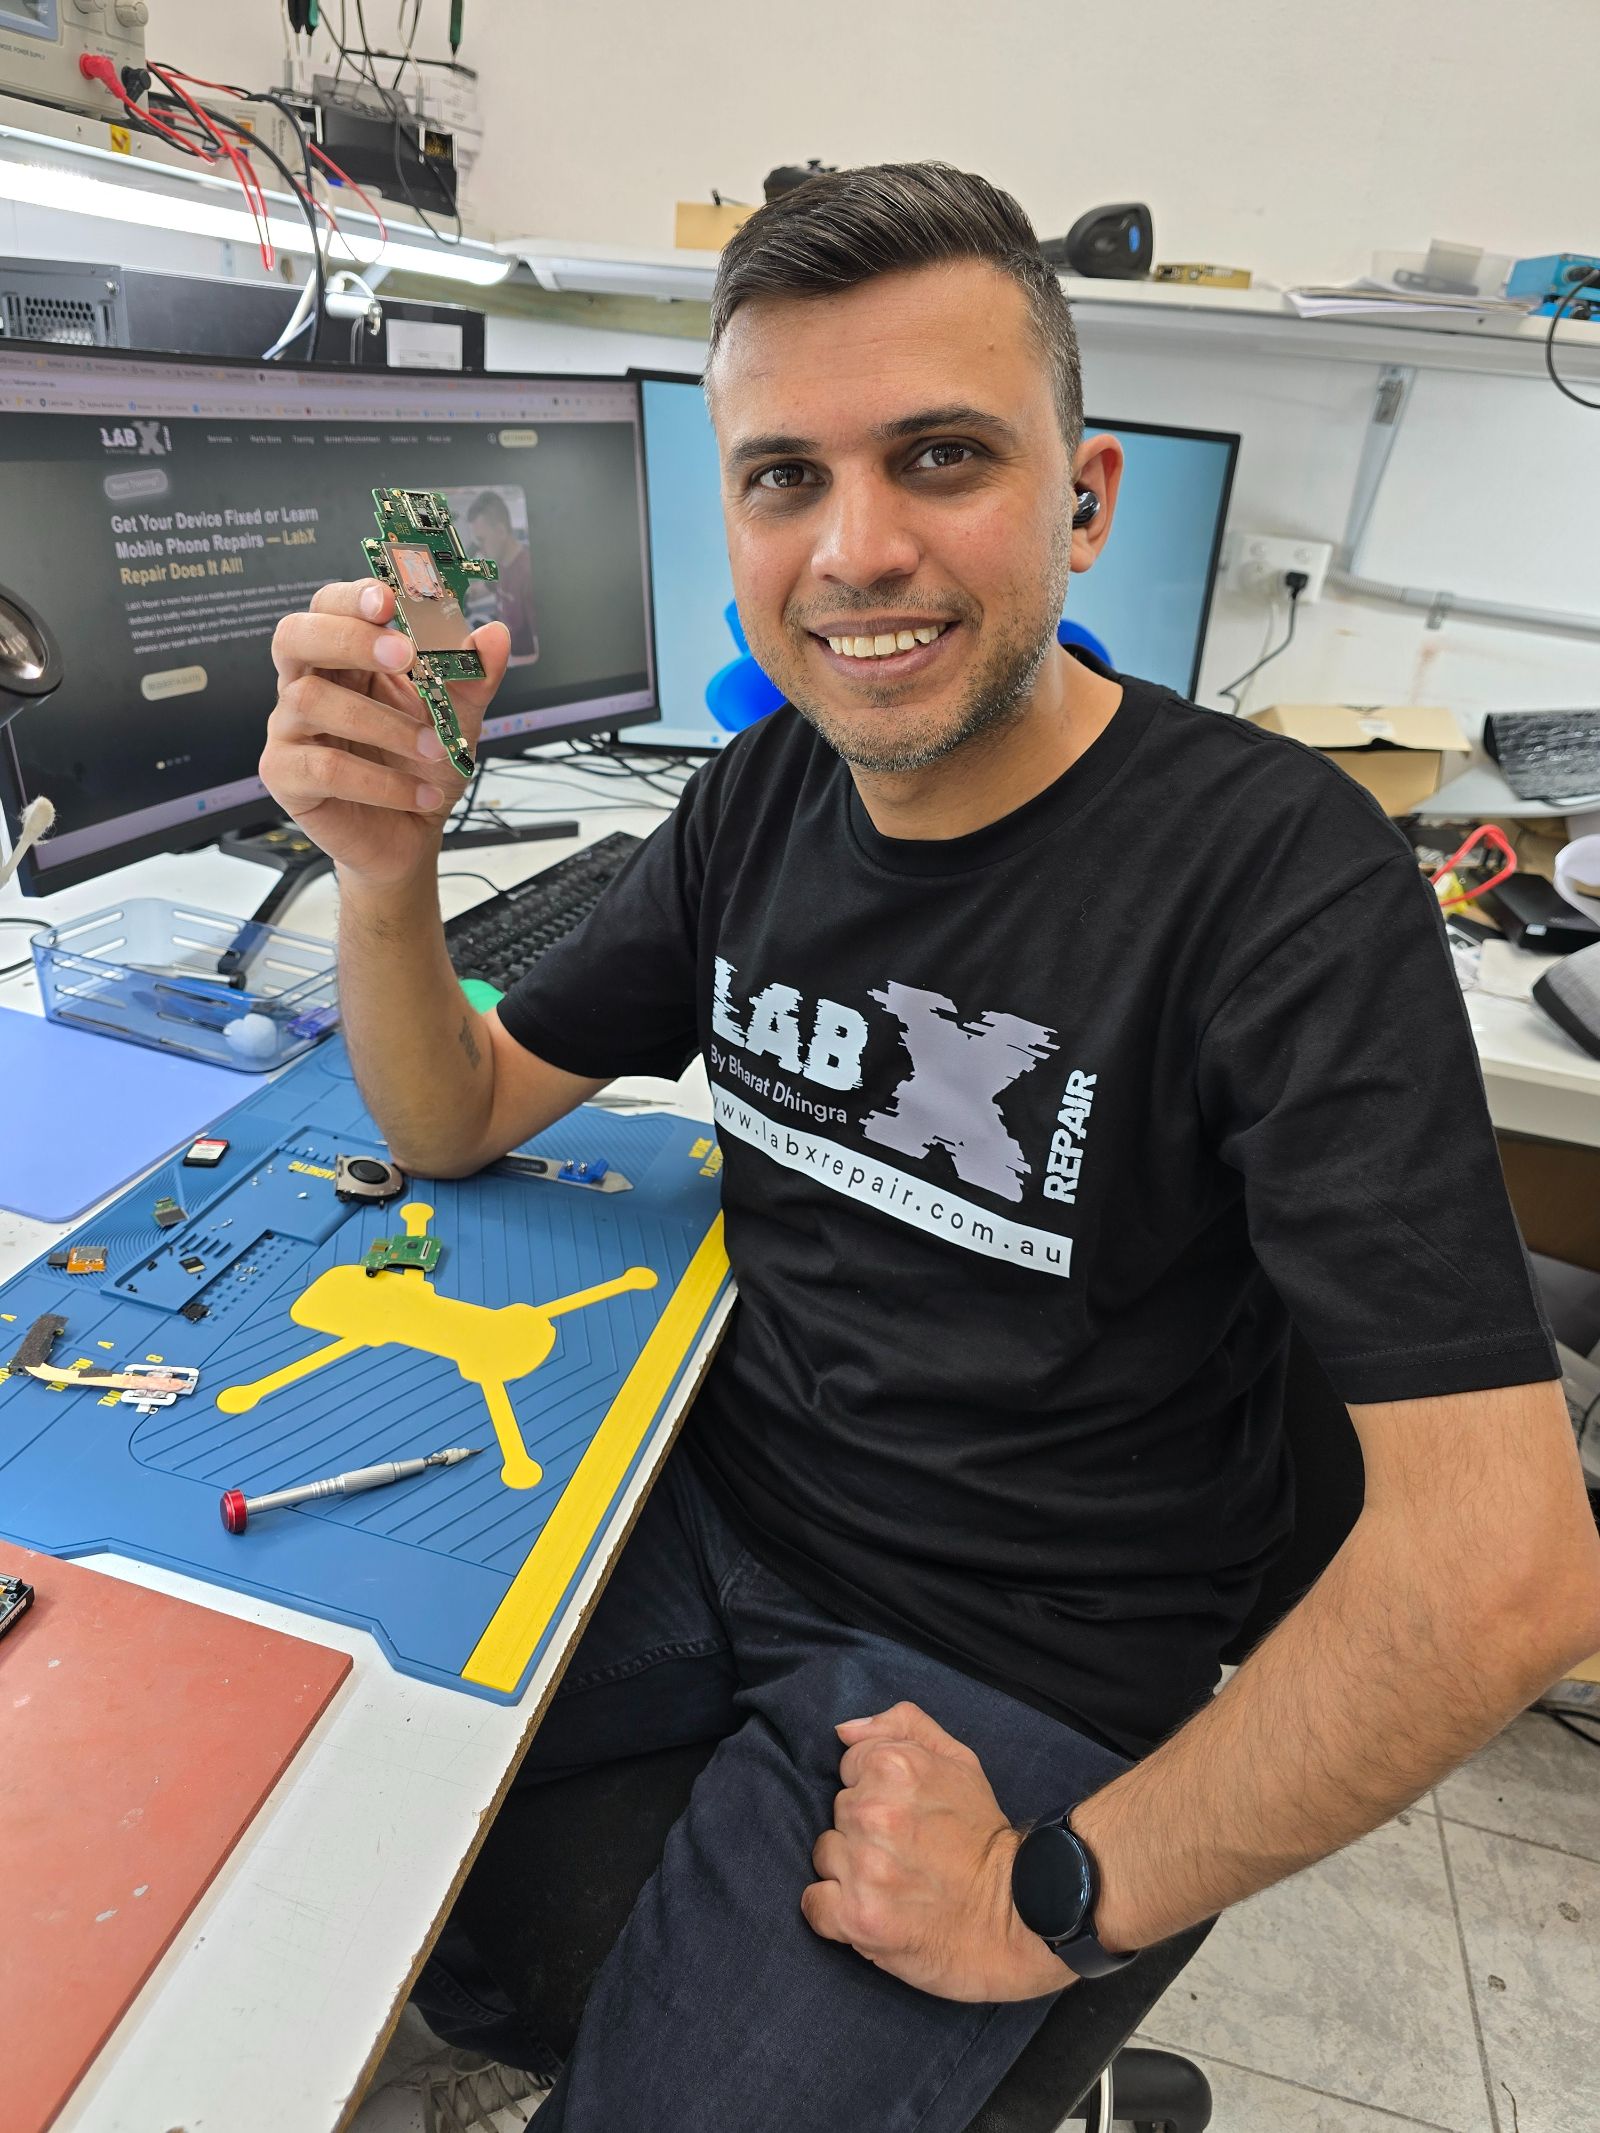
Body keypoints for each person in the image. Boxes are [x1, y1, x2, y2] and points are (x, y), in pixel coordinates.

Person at [262, 163, 1600, 2133]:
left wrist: (1054, 1892)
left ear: (1084, 499)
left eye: (941, 456)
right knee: (283, 1819)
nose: (855, 547)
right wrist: (388, 873)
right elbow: (453, 1107)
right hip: (702, 1515)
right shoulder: (757, 799)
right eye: (783, 478)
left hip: (1019, 1652)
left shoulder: (1270, 878)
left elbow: (1506, 1574)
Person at [466, 488, 539, 663]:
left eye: (482, 540)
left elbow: (540, 654)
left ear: (500, 531)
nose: (480, 550)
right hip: (504, 647)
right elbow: (484, 588)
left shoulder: (528, 574)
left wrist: (500, 664)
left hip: (518, 659)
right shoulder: (500, 563)